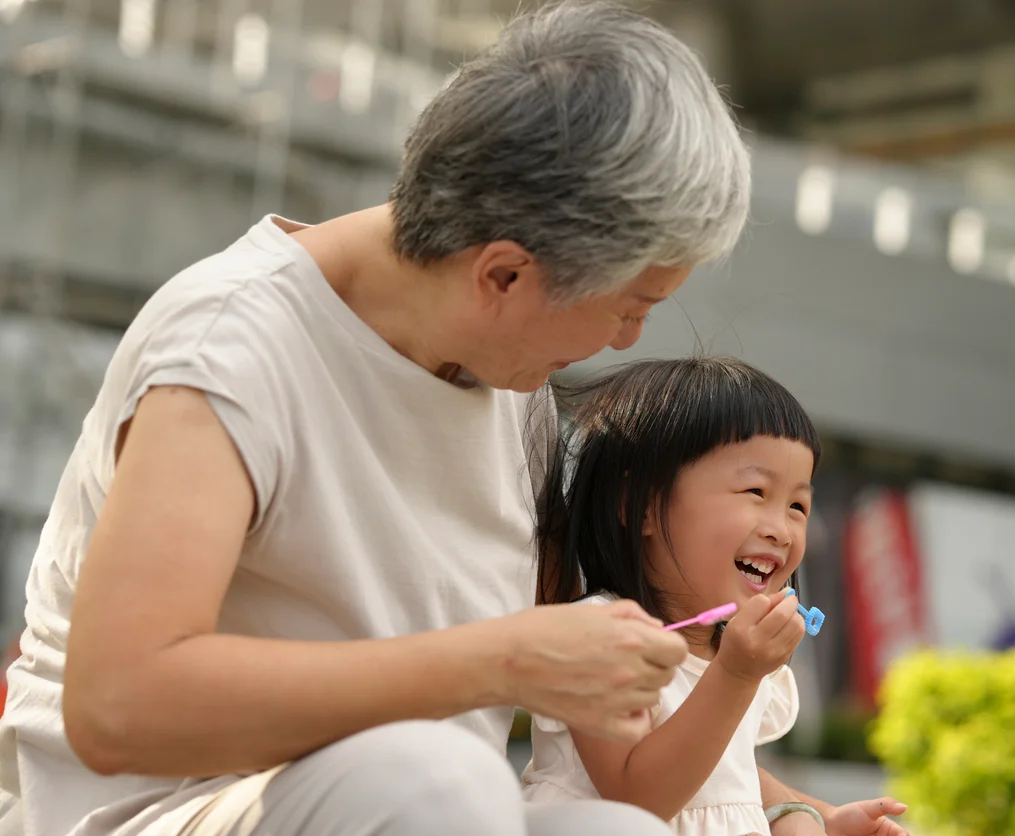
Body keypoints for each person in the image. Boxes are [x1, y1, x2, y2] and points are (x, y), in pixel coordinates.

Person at [0, 2, 752, 834]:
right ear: (504, 276)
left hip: (411, 804)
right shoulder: (231, 347)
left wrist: (789, 807)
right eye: (632, 307)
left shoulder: (511, 385)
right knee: (436, 784)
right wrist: (503, 659)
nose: (628, 340)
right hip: (159, 810)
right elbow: (116, 706)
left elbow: (604, 724)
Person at [523, 358, 911, 836]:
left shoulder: (730, 652)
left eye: (797, 505)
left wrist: (824, 816)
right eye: (755, 491)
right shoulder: (602, 637)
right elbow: (636, 800)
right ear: (642, 506)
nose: (781, 530)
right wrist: (735, 675)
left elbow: (728, 775)